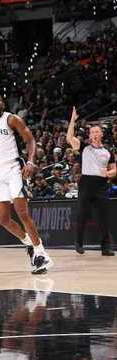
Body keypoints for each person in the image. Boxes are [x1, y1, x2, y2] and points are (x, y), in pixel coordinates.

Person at [0, 93, 52, 274]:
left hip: (13, 169)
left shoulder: (12, 119)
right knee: (3, 220)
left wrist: (30, 161)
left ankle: (41, 253)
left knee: (23, 213)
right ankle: (29, 243)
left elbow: (30, 140)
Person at [66, 107, 115, 255]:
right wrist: (72, 120)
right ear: (90, 135)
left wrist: (109, 173)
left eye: (97, 131)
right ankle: (79, 243)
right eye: (92, 132)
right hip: (86, 183)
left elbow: (114, 169)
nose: (94, 134)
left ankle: (105, 248)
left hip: (101, 185)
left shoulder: (108, 152)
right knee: (82, 214)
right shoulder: (84, 148)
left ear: (101, 134)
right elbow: (69, 138)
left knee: (103, 217)